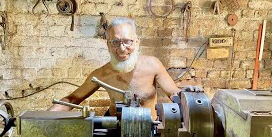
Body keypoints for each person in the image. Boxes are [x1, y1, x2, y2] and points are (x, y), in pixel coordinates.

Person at [49, 17, 200, 120]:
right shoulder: (101, 74)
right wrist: (44, 118)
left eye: (128, 41)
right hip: (115, 136)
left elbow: (174, 93)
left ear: (137, 42)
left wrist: (188, 98)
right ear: (107, 44)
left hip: (151, 133)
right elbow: (71, 99)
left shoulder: (152, 65)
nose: (122, 48)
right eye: (115, 42)